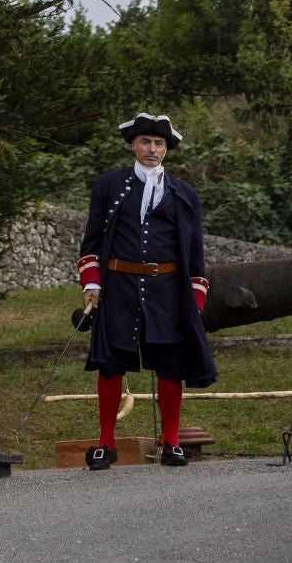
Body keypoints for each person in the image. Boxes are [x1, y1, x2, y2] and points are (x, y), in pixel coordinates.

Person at [78, 112, 216, 469]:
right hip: (118, 286)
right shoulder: (108, 185)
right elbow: (91, 241)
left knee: (170, 364)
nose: (151, 149)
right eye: (145, 142)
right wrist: (91, 283)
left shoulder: (185, 194)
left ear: (166, 150)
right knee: (111, 364)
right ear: (133, 146)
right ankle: (106, 444)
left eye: (158, 144)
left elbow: (196, 253)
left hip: (168, 289)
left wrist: (195, 298)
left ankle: (171, 443)